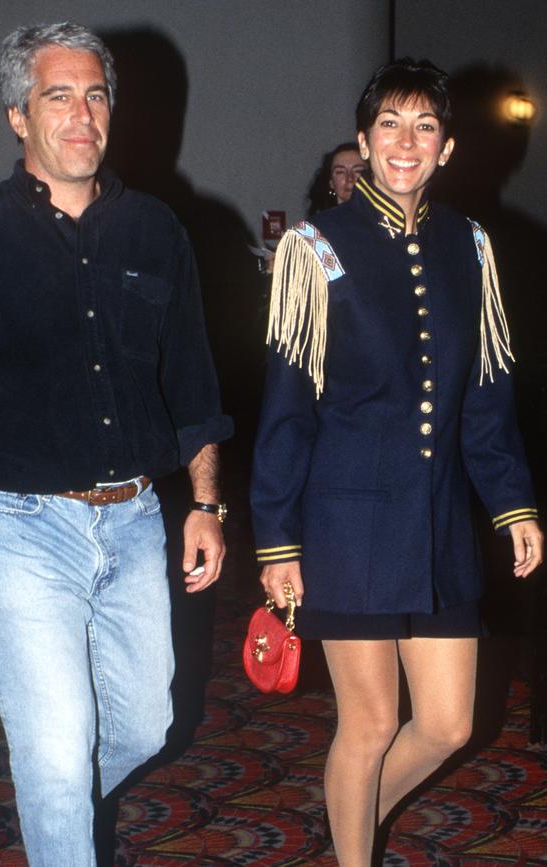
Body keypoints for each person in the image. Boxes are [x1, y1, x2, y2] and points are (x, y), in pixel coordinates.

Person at [0, 21, 232, 867]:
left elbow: (192, 384)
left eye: (96, 95)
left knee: (146, 724)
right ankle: (60, 828)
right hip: (16, 525)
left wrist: (205, 504)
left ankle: (60, 823)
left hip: (133, 519)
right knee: (53, 755)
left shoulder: (157, 232)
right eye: (58, 96)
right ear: (18, 114)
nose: (82, 115)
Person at [251, 58, 543, 866]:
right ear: (364, 139)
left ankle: (349, 818)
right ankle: (353, 853)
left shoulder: (470, 246)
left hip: (438, 523)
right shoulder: (316, 249)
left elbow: (485, 395)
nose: (406, 142)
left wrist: (511, 501)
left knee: (449, 722)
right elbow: (286, 413)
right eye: (390, 125)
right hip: (345, 528)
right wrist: (277, 543)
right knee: (371, 723)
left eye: (425, 126)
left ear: (446, 147)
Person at [306, 141, 367, 217]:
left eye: (358, 171)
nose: (349, 178)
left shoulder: (384, 222)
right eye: (340, 172)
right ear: (331, 182)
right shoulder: (317, 225)